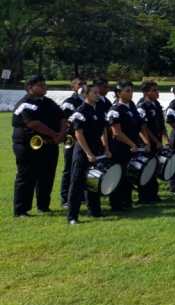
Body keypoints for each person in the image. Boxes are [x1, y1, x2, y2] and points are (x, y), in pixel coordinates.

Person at [12, 74, 64, 217]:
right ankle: (21, 210)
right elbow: (34, 124)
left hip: (49, 145)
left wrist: (61, 134)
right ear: (30, 87)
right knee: (26, 177)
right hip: (27, 146)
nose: (44, 87)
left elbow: (62, 117)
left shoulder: (48, 102)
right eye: (40, 85)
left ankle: (43, 206)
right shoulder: (25, 103)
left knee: (47, 176)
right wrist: (55, 134)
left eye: (45, 84)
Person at [65, 80, 109, 224]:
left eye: (98, 92)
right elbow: (78, 134)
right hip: (83, 150)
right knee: (77, 183)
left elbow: (104, 130)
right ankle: (72, 216)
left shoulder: (99, 109)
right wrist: (88, 153)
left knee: (94, 180)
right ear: (86, 94)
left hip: (97, 149)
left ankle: (95, 211)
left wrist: (106, 148)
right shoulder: (81, 111)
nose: (98, 95)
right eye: (94, 93)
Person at [107, 80, 150, 210]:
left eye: (131, 90)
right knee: (118, 176)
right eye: (127, 91)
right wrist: (132, 144)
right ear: (118, 93)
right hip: (119, 148)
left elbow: (140, 126)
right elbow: (116, 133)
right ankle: (116, 204)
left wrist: (146, 142)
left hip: (132, 148)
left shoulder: (131, 106)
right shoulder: (115, 110)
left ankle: (127, 201)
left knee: (128, 176)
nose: (131, 93)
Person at [137, 81, 165, 204]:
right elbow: (144, 127)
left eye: (157, 90)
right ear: (146, 92)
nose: (157, 92)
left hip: (157, 141)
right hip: (147, 142)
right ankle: (144, 196)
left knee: (154, 167)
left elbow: (161, 124)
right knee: (146, 168)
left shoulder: (156, 104)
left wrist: (164, 138)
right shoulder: (142, 106)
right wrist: (154, 141)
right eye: (154, 90)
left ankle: (153, 194)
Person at [58, 77, 83, 208]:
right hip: (71, 138)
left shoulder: (87, 101)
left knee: (82, 168)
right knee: (69, 168)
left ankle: (81, 195)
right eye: (80, 84)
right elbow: (65, 122)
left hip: (84, 140)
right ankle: (65, 198)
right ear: (73, 87)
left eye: (85, 84)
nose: (83, 86)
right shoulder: (69, 102)